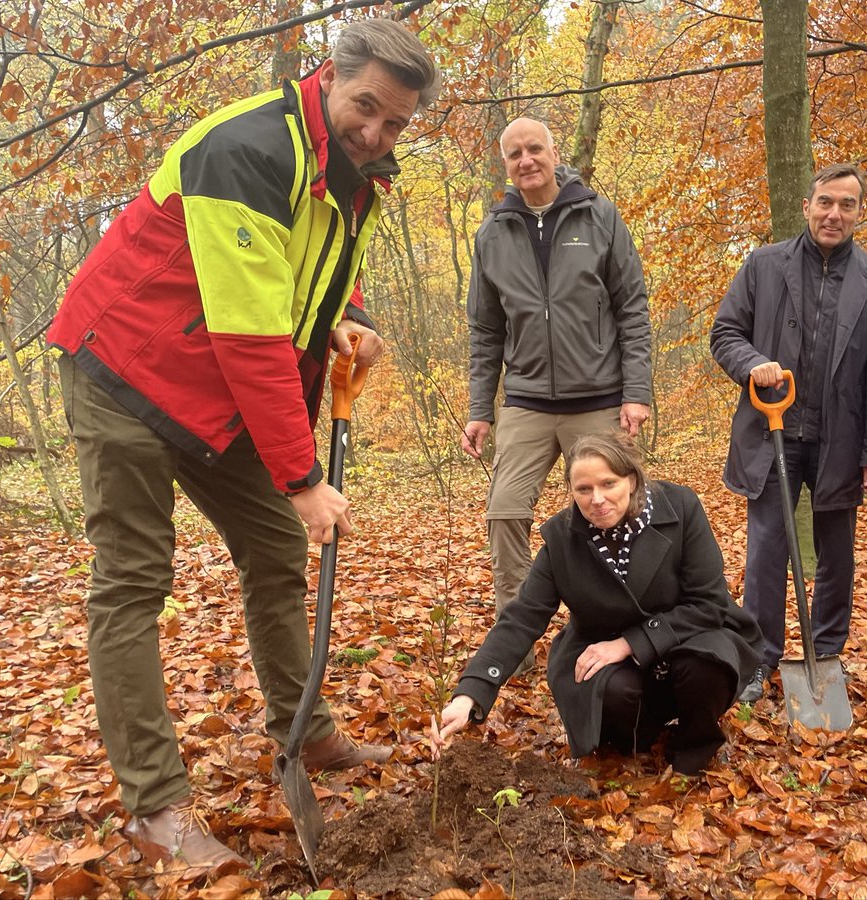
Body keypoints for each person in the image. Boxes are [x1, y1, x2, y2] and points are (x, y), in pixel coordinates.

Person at [46, 20, 440, 868]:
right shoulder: (247, 147)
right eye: (365, 107)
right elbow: (249, 332)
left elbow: (322, 266)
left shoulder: (355, 171)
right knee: (134, 580)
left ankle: (308, 731)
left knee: (274, 554)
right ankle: (156, 808)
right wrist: (302, 475)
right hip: (127, 371)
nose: (376, 133)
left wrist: (355, 316)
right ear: (330, 76)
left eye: (396, 122)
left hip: (216, 396)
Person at [433, 432, 761, 775]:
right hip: (609, 655)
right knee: (615, 693)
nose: (597, 500)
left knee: (703, 669)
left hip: (691, 635)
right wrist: (468, 695)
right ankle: (638, 736)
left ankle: (694, 743)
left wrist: (630, 643)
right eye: (584, 489)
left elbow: (709, 604)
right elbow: (521, 618)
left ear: (631, 480)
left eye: (609, 483)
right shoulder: (562, 538)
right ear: (572, 491)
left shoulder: (679, 507)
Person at [460, 118, 653, 676]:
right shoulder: (493, 233)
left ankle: (620, 631)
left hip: (598, 396)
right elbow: (485, 330)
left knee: (613, 512)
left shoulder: (597, 216)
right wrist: (479, 408)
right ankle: (516, 635)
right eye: (514, 152)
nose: (526, 160)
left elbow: (632, 309)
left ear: (553, 152)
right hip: (524, 400)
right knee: (505, 511)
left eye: (535, 149)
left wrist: (636, 392)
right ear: (506, 163)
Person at [710, 163, 867, 702]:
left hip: (842, 437)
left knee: (837, 553)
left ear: (861, 213)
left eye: (847, 205)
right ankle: (757, 660)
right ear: (808, 205)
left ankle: (827, 656)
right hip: (773, 432)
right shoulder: (764, 265)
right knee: (767, 547)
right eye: (825, 202)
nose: (834, 214)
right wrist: (752, 365)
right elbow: (725, 332)